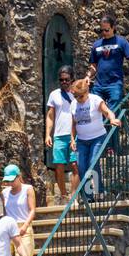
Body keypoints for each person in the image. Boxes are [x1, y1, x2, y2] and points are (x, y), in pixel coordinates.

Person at [70, 77, 122, 197]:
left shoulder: (95, 100)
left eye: (80, 96)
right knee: (81, 167)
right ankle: (89, 197)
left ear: (86, 92)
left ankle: (99, 191)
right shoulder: (73, 104)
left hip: (97, 137)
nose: (78, 99)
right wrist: (72, 139)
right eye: (75, 96)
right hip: (82, 140)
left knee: (93, 162)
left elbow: (108, 112)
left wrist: (112, 119)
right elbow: (73, 123)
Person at [87, 14, 129, 112]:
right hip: (98, 85)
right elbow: (93, 65)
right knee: (95, 112)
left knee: (113, 113)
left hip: (114, 85)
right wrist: (88, 76)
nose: (104, 33)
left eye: (107, 30)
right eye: (102, 30)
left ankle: (113, 127)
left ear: (113, 28)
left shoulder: (121, 42)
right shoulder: (96, 45)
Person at [45, 66, 79, 201]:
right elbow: (50, 116)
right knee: (59, 165)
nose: (64, 82)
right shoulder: (54, 94)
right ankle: (64, 195)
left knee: (75, 164)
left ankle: (74, 196)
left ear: (72, 79)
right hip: (59, 135)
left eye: (67, 79)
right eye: (61, 80)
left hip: (75, 134)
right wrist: (48, 134)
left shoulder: (77, 93)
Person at [2, 164, 36, 256]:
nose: (10, 183)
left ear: (19, 176)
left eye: (12, 180)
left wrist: (25, 226)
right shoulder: (4, 193)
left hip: (24, 228)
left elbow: (32, 210)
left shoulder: (28, 189)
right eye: (8, 180)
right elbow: (5, 213)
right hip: (8, 229)